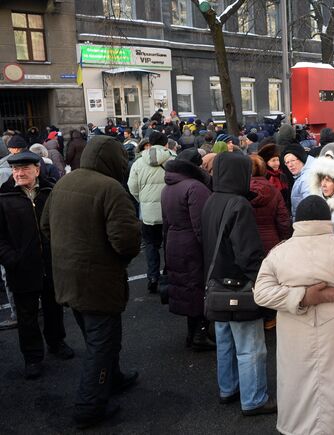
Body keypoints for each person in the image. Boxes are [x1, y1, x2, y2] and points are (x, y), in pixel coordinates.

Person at [253, 196, 334, 435]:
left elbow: (261, 293)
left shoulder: (280, 252)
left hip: (294, 331)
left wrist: (299, 297)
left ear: (296, 221)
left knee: (297, 386)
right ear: (327, 219)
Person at [41, 136, 142, 429]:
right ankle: (90, 405)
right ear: (115, 160)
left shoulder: (63, 182)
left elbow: (46, 226)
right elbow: (125, 242)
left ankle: (114, 378)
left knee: (96, 337)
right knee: (102, 344)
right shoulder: (110, 188)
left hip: (66, 276)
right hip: (98, 281)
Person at [201, 152, 276, 416]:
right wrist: (263, 280)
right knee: (250, 347)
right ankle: (254, 398)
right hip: (239, 286)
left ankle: (228, 389)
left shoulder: (212, 200)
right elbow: (248, 253)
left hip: (216, 284)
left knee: (225, 342)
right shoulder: (239, 205)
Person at [0, 151, 73, 380]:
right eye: (16, 170)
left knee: (54, 307)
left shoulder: (50, 191)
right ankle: (32, 357)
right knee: (26, 315)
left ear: (37, 170)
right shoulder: (3, 197)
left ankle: (56, 342)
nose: (19, 174)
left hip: (50, 264)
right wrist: (11, 258)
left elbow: (61, 224)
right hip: (21, 268)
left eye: (25, 169)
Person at [160, 148, 215, 351]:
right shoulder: (195, 187)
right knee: (197, 287)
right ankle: (199, 333)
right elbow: (201, 224)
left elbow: (165, 223)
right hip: (191, 243)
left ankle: (192, 334)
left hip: (175, 241)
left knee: (186, 288)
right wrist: (209, 249)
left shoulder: (168, 188)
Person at [128, 132, 175, 293]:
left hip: (148, 212)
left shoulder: (139, 162)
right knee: (170, 244)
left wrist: (142, 199)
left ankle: (153, 276)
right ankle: (170, 274)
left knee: (150, 245)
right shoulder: (172, 160)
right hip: (170, 209)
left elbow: (132, 186)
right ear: (165, 144)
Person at [248, 155, 292, 253]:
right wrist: (285, 240)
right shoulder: (275, 191)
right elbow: (283, 220)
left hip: (248, 241)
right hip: (273, 242)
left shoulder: (241, 191)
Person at [282, 143, 315, 218]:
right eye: (287, 162)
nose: (290, 165)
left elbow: (310, 208)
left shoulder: (307, 178)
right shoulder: (301, 175)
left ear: (301, 158)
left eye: (293, 160)